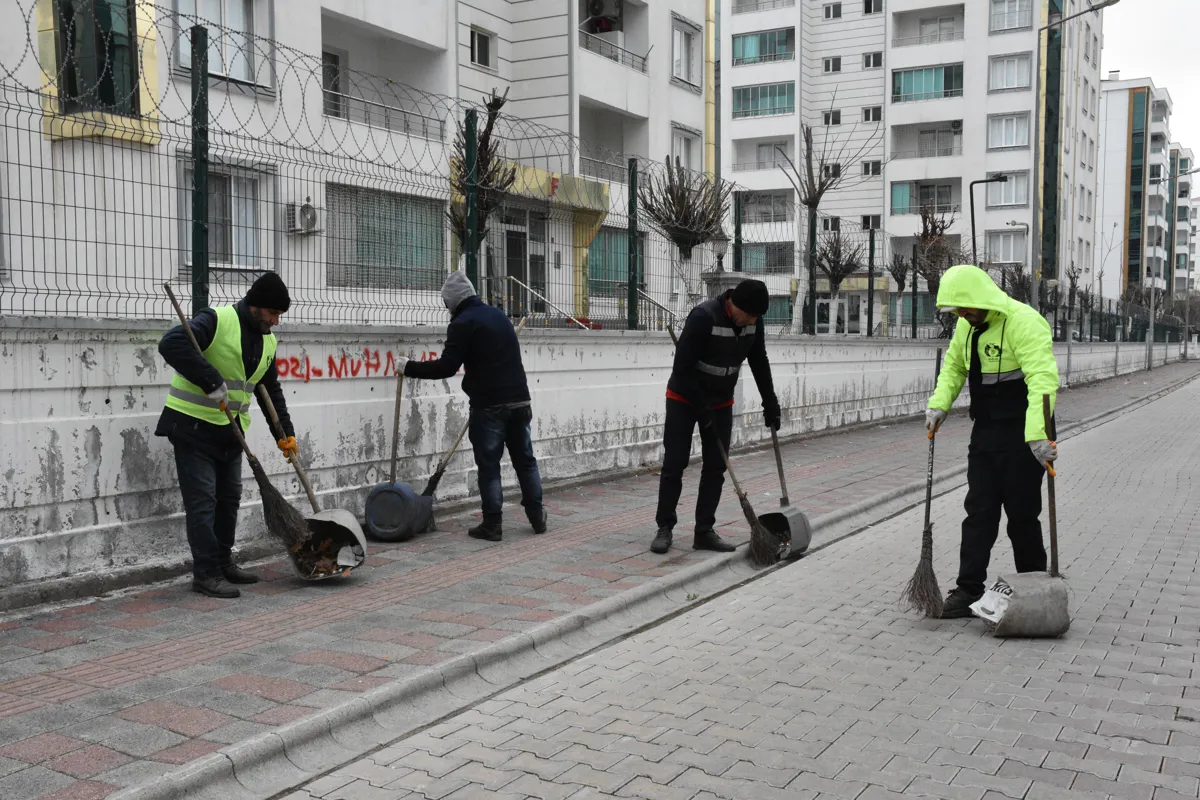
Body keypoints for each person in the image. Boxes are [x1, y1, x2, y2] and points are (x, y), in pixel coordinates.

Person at [925, 264, 1060, 619]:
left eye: (966, 308)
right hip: (986, 430)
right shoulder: (966, 328)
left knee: (1021, 515)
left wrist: (1038, 437)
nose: (963, 316)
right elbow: (954, 367)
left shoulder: (1023, 321)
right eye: (957, 311)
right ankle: (968, 589)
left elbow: (1042, 379)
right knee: (979, 512)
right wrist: (939, 405)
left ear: (982, 299)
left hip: (1024, 433)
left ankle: (1033, 585)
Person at [157, 272, 298, 599]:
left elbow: (268, 391)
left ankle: (223, 563)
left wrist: (284, 434)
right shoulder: (216, 320)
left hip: (229, 434)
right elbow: (171, 342)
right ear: (256, 306)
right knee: (203, 502)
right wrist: (209, 379)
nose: (276, 321)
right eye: (273, 314)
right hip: (192, 427)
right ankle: (205, 574)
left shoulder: (268, 341)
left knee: (229, 500)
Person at [399, 271, 545, 542]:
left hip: (489, 406)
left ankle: (492, 525)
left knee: (489, 466)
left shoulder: (462, 323)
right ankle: (538, 517)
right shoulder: (499, 316)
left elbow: (446, 366)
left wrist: (408, 367)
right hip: (520, 400)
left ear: (453, 301)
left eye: (446, 304)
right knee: (525, 461)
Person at [652, 279, 781, 555]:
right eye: (749, 315)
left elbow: (759, 360)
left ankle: (704, 531)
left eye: (756, 317)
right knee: (675, 463)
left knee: (716, 466)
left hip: (721, 401)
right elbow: (683, 368)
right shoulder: (703, 317)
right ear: (734, 305)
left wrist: (770, 402)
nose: (752, 321)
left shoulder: (753, 323)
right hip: (684, 399)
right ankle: (665, 527)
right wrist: (701, 406)